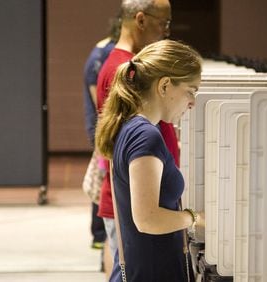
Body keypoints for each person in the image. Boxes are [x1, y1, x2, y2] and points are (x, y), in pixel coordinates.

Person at [96, 39, 205, 282]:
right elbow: (148, 219)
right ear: (165, 85)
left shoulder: (133, 127)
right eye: (191, 90)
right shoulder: (146, 136)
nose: (193, 102)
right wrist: (195, 218)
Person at [95, 0, 175, 265]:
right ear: (140, 20)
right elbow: (123, 153)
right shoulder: (126, 71)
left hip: (138, 204)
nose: (166, 31)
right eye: (163, 23)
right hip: (132, 207)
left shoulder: (130, 66)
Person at [81, 16, 121, 273]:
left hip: (104, 133)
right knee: (106, 201)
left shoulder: (104, 50)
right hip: (104, 135)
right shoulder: (104, 55)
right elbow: (103, 102)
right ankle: (99, 239)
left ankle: (101, 241)